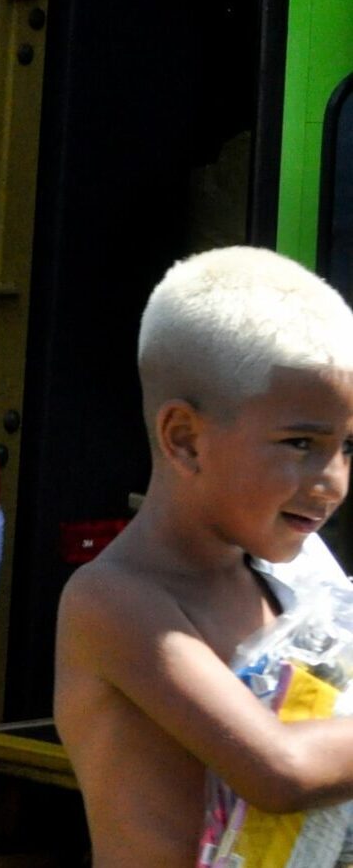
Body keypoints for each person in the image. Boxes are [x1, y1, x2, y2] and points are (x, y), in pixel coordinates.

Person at [55, 246, 353, 867]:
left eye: (347, 448)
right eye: (302, 443)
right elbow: (282, 773)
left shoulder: (298, 579)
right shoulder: (113, 599)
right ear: (185, 438)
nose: (332, 481)